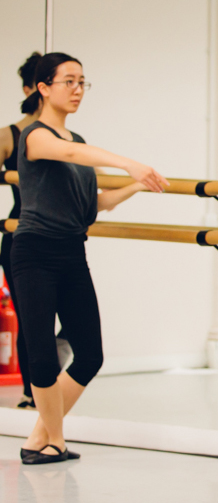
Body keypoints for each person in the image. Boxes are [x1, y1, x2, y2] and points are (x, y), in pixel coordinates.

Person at [13, 52, 169, 464]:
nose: (78, 89)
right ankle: (54, 441)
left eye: (83, 82)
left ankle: (39, 440)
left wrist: (138, 185)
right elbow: (67, 156)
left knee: (91, 354)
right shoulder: (35, 136)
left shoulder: (78, 142)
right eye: (69, 81)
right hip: (33, 253)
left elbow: (96, 202)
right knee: (43, 355)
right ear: (44, 87)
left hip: (71, 253)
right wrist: (127, 163)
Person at [1, 52, 40, 408]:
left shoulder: (67, 138)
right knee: (30, 316)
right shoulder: (9, 135)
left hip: (58, 234)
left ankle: (46, 379)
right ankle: (33, 391)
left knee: (64, 319)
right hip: (19, 231)